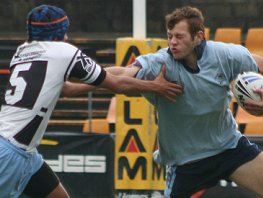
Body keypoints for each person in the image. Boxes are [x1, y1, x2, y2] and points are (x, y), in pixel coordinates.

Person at [101, 6, 263, 198]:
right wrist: (83, 77)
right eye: (170, 36)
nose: (172, 42)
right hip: (186, 163)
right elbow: (121, 74)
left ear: (198, 36)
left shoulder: (223, 55)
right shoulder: (160, 63)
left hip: (228, 148)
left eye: (179, 36)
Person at [0, 5, 183, 198]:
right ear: (56, 32)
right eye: (64, 32)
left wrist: (102, 79)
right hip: (11, 152)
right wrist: (156, 87)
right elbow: (118, 85)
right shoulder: (63, 51)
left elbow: (68, 89)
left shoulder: (22, 52)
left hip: (22, 151)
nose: (67, 37)